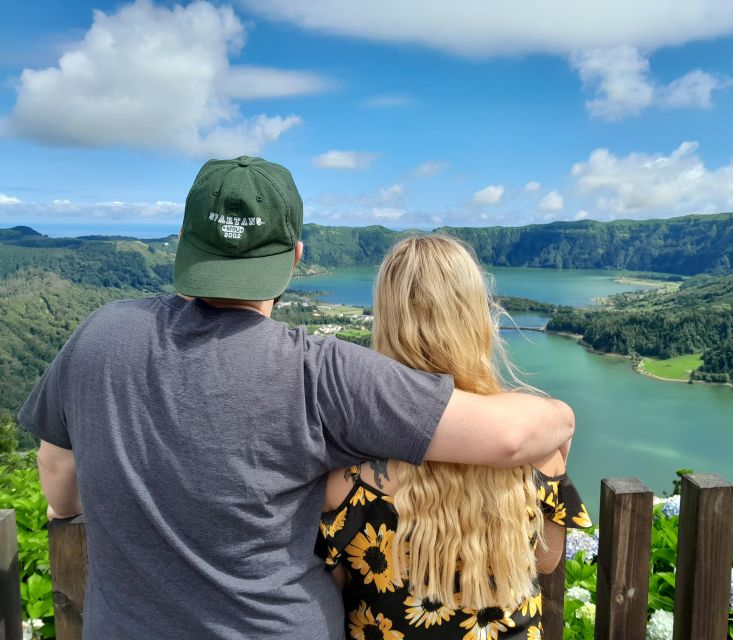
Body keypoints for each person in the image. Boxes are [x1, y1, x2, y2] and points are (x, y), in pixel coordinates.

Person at [17, 156, 575, 640]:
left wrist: (66, 511)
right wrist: (562, 417)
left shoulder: (101, 334)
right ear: (295, 257)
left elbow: (56, 467)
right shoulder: (321, 371)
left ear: (184, 244)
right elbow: (508, 438)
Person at [317, 235, 591, 640]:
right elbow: (547, 561)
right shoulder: (535, 448)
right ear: (477, 317)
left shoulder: (346, 479)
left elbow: (333, 593)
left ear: (387, 323)